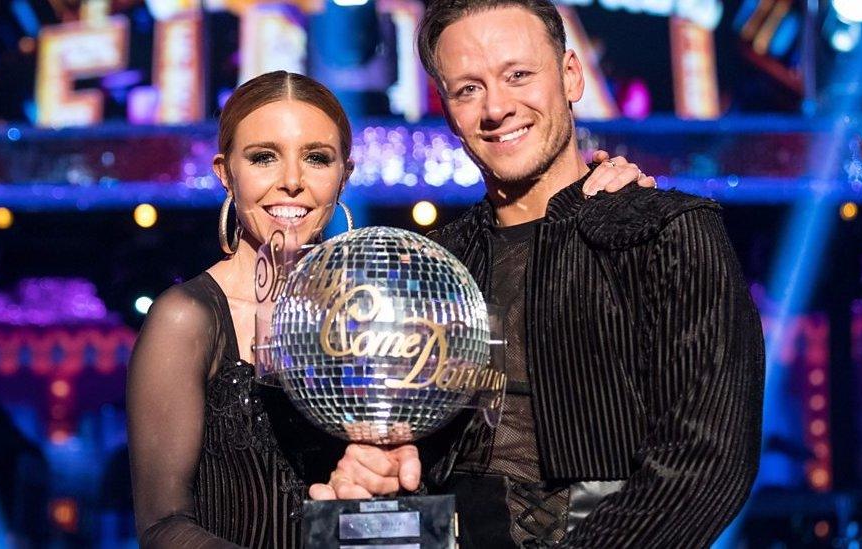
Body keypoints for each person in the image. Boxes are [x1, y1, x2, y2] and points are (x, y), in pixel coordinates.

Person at [127, 69, 652, 548]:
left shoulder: (378, 314)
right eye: (264, 156)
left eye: (317, 157)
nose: (292, 179)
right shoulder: (188, 318)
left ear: (344, 174)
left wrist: (600, 191)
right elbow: (161, 526)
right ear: (226, 172)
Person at [313, 1, 766, 547]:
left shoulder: (668, 233)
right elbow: (405, 456)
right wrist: (382, 476)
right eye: (468, 89)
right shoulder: (430, 266)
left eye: (518, 75)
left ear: (571, 75)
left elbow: (707, 463)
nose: (496, 107)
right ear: (448, 110)